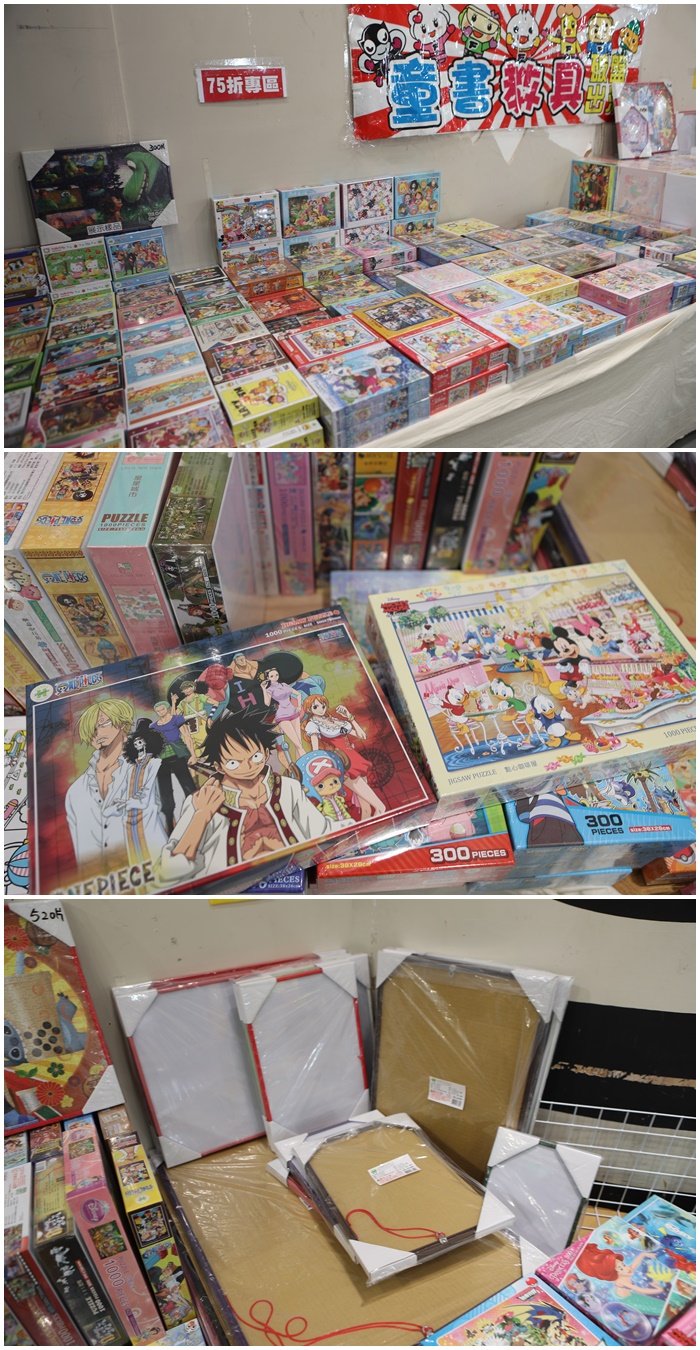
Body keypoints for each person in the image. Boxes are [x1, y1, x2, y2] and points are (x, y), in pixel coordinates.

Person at [157, 710, 334, 884]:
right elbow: (170, 871)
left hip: (294, 879)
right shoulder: (202, 801)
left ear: (266, 753)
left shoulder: (288, 788)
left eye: (255, 757)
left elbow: (323, 831)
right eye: (234, 763)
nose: (248, 767)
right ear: (218, 766)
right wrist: (202, 815)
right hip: (232, 891)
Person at [65, 698, 135, 871]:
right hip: (96, 881)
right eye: (92, 728)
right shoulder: (76, 791)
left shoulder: (145, 770)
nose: (96, 732)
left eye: (103, 724)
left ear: (121, 723)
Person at [301, 694, 386, 818]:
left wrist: (349, 716)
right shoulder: (313, 725)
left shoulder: (334, 721)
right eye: (316, 707)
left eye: (323, 705)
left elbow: (362, 736)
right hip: (343, 763)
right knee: (379, 807)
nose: (321, 709)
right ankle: (378, 815)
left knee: (366, 807)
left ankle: (368, 825)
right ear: (309, 709)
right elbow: (315, 749)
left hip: (356, 759)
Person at [149, 700, 197, 835]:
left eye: (162, 709)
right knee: (165, 792)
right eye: (158, 711)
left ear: (168, 708)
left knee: (188, 787)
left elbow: (186, 736)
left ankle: (197, 816)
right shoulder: (153, 726)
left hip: (177, 755)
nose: (160, 712)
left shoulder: (176, 719)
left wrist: (193, 755)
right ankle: (169, 825)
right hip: (161, 759)